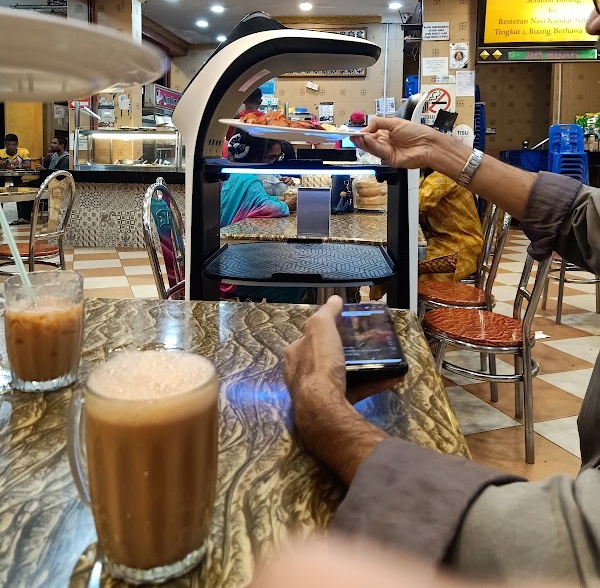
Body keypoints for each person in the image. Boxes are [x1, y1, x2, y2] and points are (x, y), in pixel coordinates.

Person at [283, 115, 600, 586]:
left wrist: (323, 412)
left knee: (393, 277)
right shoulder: (439, 167)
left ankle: (407, 356)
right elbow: (582, 214)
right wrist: (438, 147)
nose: (592, 34)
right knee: (389, 277)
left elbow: (569, 544)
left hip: (456, 256)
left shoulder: (438, 186)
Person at [221, 131, 301, 303]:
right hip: (233, 272)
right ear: (257, 154)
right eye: (268, 157)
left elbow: (257, 201)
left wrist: (277, 200)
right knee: (296, 280)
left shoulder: (233, 174)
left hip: (225, 258)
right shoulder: (249, 179)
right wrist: (286, 205)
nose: (271, 162)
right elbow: (266, 207)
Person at [418, 169, 483, 281]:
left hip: (460, 248)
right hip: (442, 241)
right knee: (401, 259)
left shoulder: (445, 175)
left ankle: (412, 296)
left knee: (405, 263)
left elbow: (416, 202)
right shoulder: (429, 174)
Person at [16, 134, 70, 225]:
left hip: (53, 183)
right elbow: (48, 167)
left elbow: (58, 174)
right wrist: (46, 158)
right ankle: (23, 216)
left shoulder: (66, 158)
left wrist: (44, 169)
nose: (51, 145)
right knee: (21, 187)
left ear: (61, 145)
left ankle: (25, 216)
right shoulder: (54, 155)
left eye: (54, 143)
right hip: (46, 180)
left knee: (27, 188)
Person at [0, 134, 33, 226]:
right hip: (2, 176)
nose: (11, 147)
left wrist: (10, 166)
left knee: (20, 187)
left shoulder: (23, 152)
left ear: (17, 144)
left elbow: (28, 165)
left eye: (13, 145)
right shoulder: (0, 153)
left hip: (18, 176)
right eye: (9, 144)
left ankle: (22, 216)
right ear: (5, 144)